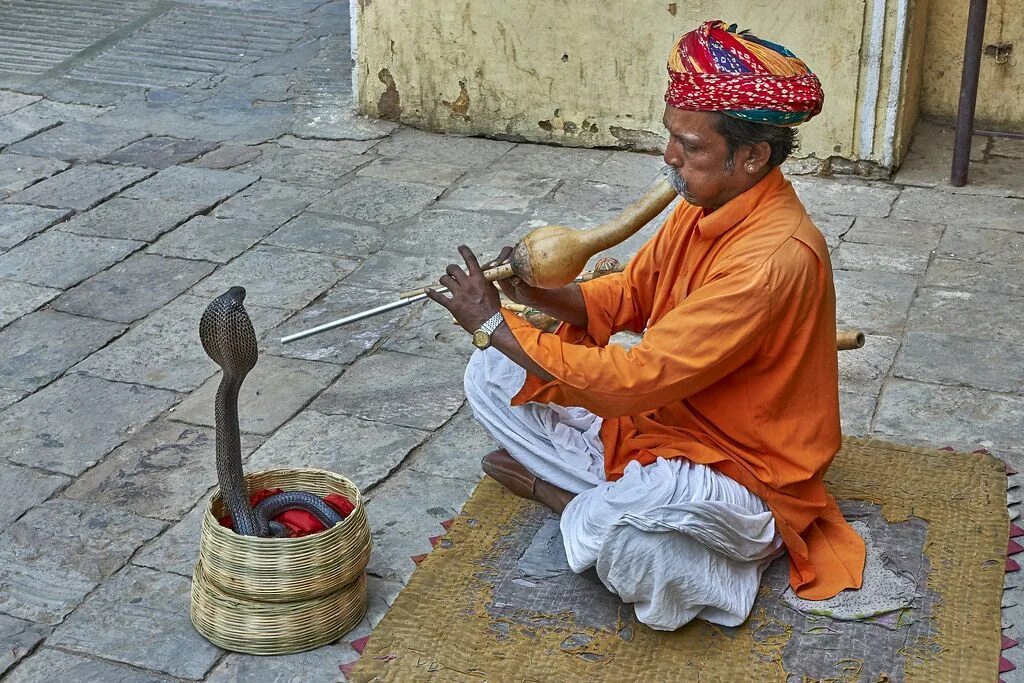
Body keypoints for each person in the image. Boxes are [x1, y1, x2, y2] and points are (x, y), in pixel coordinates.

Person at [425, 20, 865, 631]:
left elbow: (637, 377)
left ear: (753, 156)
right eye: (671, 137)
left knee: (639, 556)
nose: (670, 157)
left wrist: (494, 322)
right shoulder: (705, 205)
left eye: (691, 146)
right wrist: (538, 293)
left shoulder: (770, 260)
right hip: (665, 430)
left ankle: (565, 499)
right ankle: (612, 506)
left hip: (744, 472)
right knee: (491, 373)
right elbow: (629, 295)